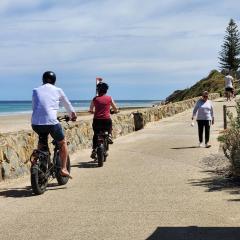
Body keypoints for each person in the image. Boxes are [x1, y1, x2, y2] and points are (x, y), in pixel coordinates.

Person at [31, 71, 77, 177]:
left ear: (43, 79)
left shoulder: (35, 90)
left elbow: (35, 106)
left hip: (35, 123)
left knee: (42, 139)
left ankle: (38, 157)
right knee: (62, 143)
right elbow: (67, 104)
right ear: (54, 80)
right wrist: (73, 115)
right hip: (52, 123)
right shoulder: (58, 90)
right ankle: (64, 168)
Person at [89, 82, 118, 159]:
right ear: (106, 90)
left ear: (98, 90)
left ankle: (94, 149)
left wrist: (93, 112)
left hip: (97, 121)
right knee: (109, 126)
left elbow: (91, 109)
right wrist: (116, 111)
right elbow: (115, 108)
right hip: (106, 120)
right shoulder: (109, 98)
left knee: (96, 134)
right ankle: (109, 135)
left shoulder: (95, 99)